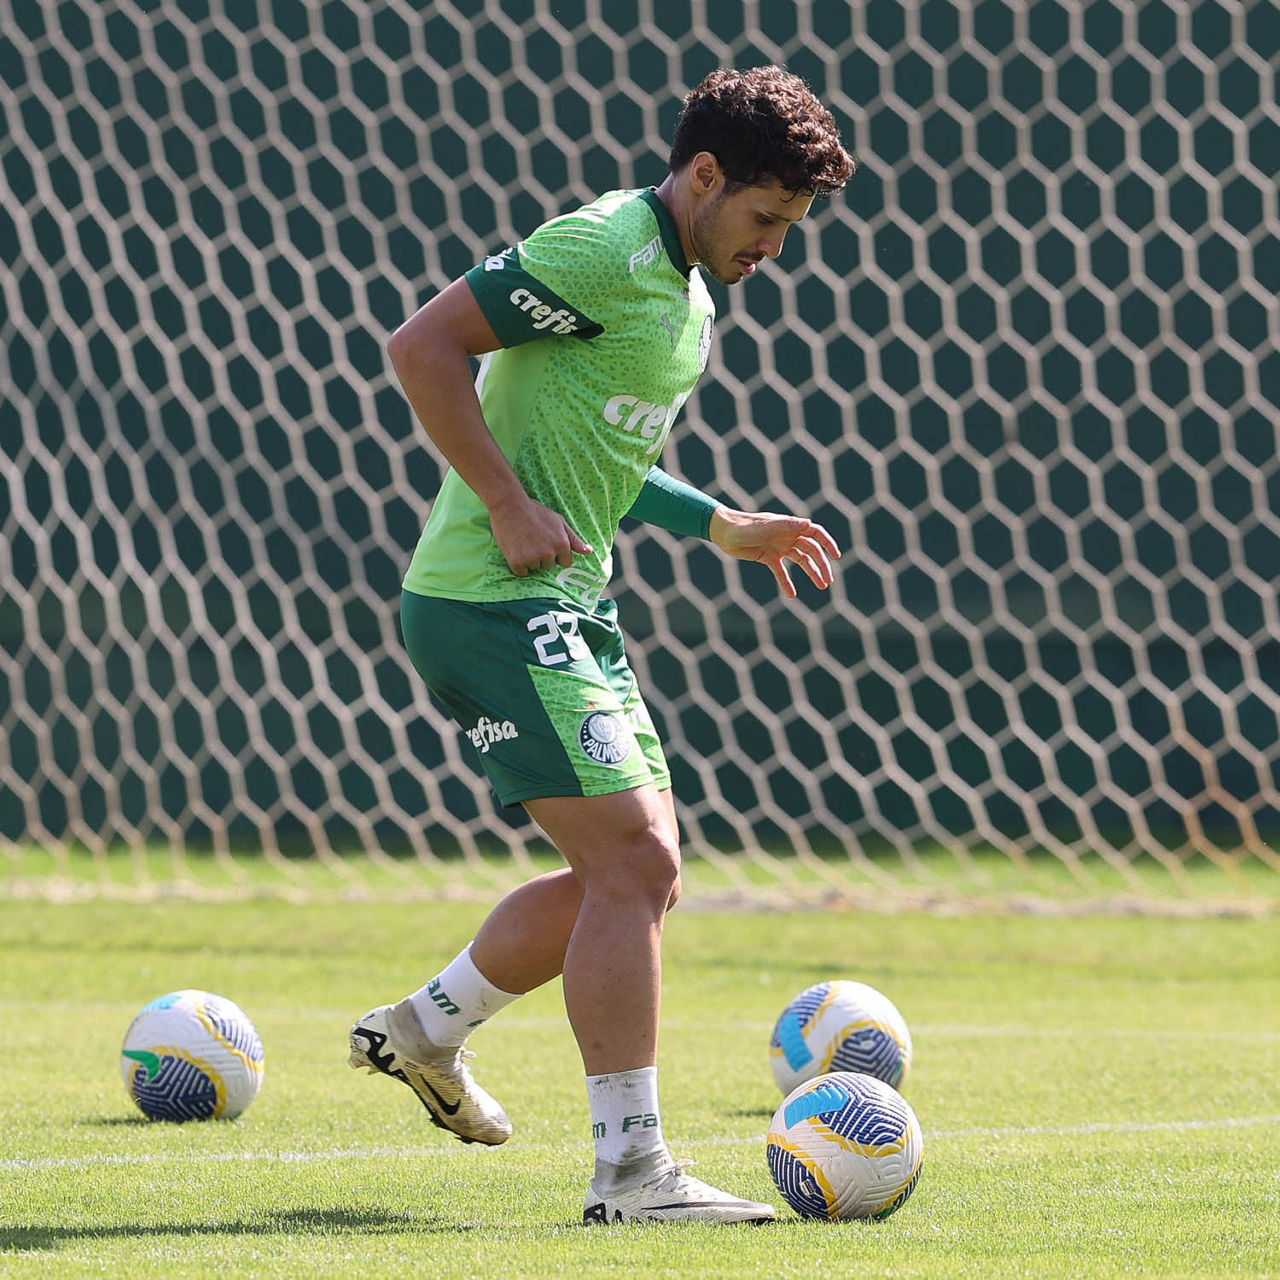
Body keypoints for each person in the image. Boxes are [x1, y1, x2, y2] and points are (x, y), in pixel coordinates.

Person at [349, 64, 855, 1225]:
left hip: (571, 607)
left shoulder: (688, 299)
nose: (773, 245)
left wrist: (718, 522)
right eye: (764, 216)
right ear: (703, 174)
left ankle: (423, 1028)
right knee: (634, 862)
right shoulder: (600, 248)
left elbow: (609, 455)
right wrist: (504, 502)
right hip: (490, 598)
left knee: (631, 874)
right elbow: (422, 345)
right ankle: (631, 1171)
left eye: (791, 226)